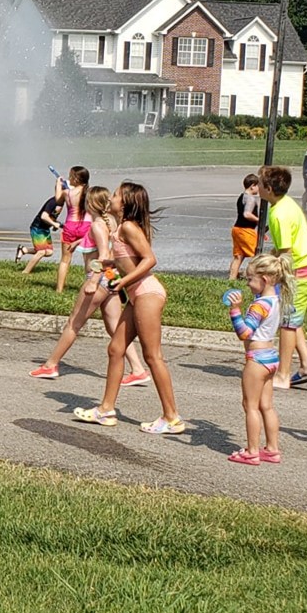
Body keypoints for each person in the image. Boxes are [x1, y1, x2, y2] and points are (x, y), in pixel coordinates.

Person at [72, 182, 188, 435]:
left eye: (115, 195)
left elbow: (150, 259)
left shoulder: (128, 227)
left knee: (152, 356)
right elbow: (129, 259)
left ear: (124, 203)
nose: (110, 198)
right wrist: (109, 264)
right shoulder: (118, 229)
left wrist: (122, 282)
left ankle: (172, 417)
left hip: (147, 293)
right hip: (137, 295)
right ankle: (105, 410)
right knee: (115, 348)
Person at [29, 186, 149, 387]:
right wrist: (79, 241)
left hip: (99, 278)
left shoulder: (97, 226)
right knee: (114, 326)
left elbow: (103, 256)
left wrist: (93, 281)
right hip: (111, 278)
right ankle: (137, 369)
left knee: (73, 323)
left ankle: (51, 365)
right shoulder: (110, 222)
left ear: (90, 204)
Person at [258, 165, 307, 390]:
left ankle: (283, 375)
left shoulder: (278, 214)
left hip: (300, 268)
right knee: (293, 318)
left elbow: (285, 252)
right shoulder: (286, 203)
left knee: (286, 323)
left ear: (267, 188)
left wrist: (270, 271)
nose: (256, 186)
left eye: (259, 183)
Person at [223, 252, 288, 465]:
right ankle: (272, 448)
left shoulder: (259, 306)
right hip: (271, 357)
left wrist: (235, 310)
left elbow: (244, 332)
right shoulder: (275, 300)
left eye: (251, 279)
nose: (248, 283)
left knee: (250, 405)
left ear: (265, 279)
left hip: (257, 359)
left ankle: (252, 451)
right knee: (266, 406)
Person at [54, 166, 91, 293]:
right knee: (89, 259)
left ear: (75, 178)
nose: (69, 179)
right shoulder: (90, 193)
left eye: (70, 176)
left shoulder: (67, 193)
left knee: (65, 260)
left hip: (70, 226)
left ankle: (59, 289)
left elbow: (57, 200)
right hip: (86, 226)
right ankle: (88, 286)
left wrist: (58, 185)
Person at [228, 173, 262, 280]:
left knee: (238, 256)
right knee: (255, 256)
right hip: (246, 231)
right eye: (258, 185)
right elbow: (247, 214)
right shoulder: (251, 199)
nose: (259, 188)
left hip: (237, 229)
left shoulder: (241, 196)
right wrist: (259, 220)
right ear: (252, 185)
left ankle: (232, 278)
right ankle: (252, 276)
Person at [18, 193, 61, 274]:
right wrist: (54, 224)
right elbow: (44, 216)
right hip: (38, 227)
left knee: (49, 252)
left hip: (45, 229)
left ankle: (24, 250)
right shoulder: (53, 202)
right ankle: (25, 272)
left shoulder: (61, 204)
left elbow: (52, 216)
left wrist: (54, 224)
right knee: (41, 251)